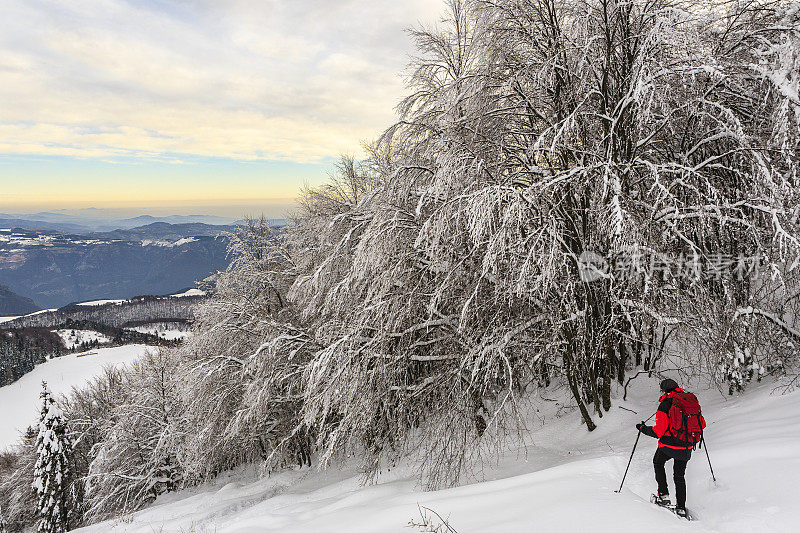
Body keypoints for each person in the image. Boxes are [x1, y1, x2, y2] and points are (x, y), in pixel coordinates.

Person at [636, 378, 706, 518]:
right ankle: (681, 508)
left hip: (669, 444)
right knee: (679, 476)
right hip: (686, 444)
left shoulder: (665, 405)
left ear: (664, 390)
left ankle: (663, 495)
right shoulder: (689, 401)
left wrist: (643, 428)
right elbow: (702, 424)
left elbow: (658, 432)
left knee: (658, 462)